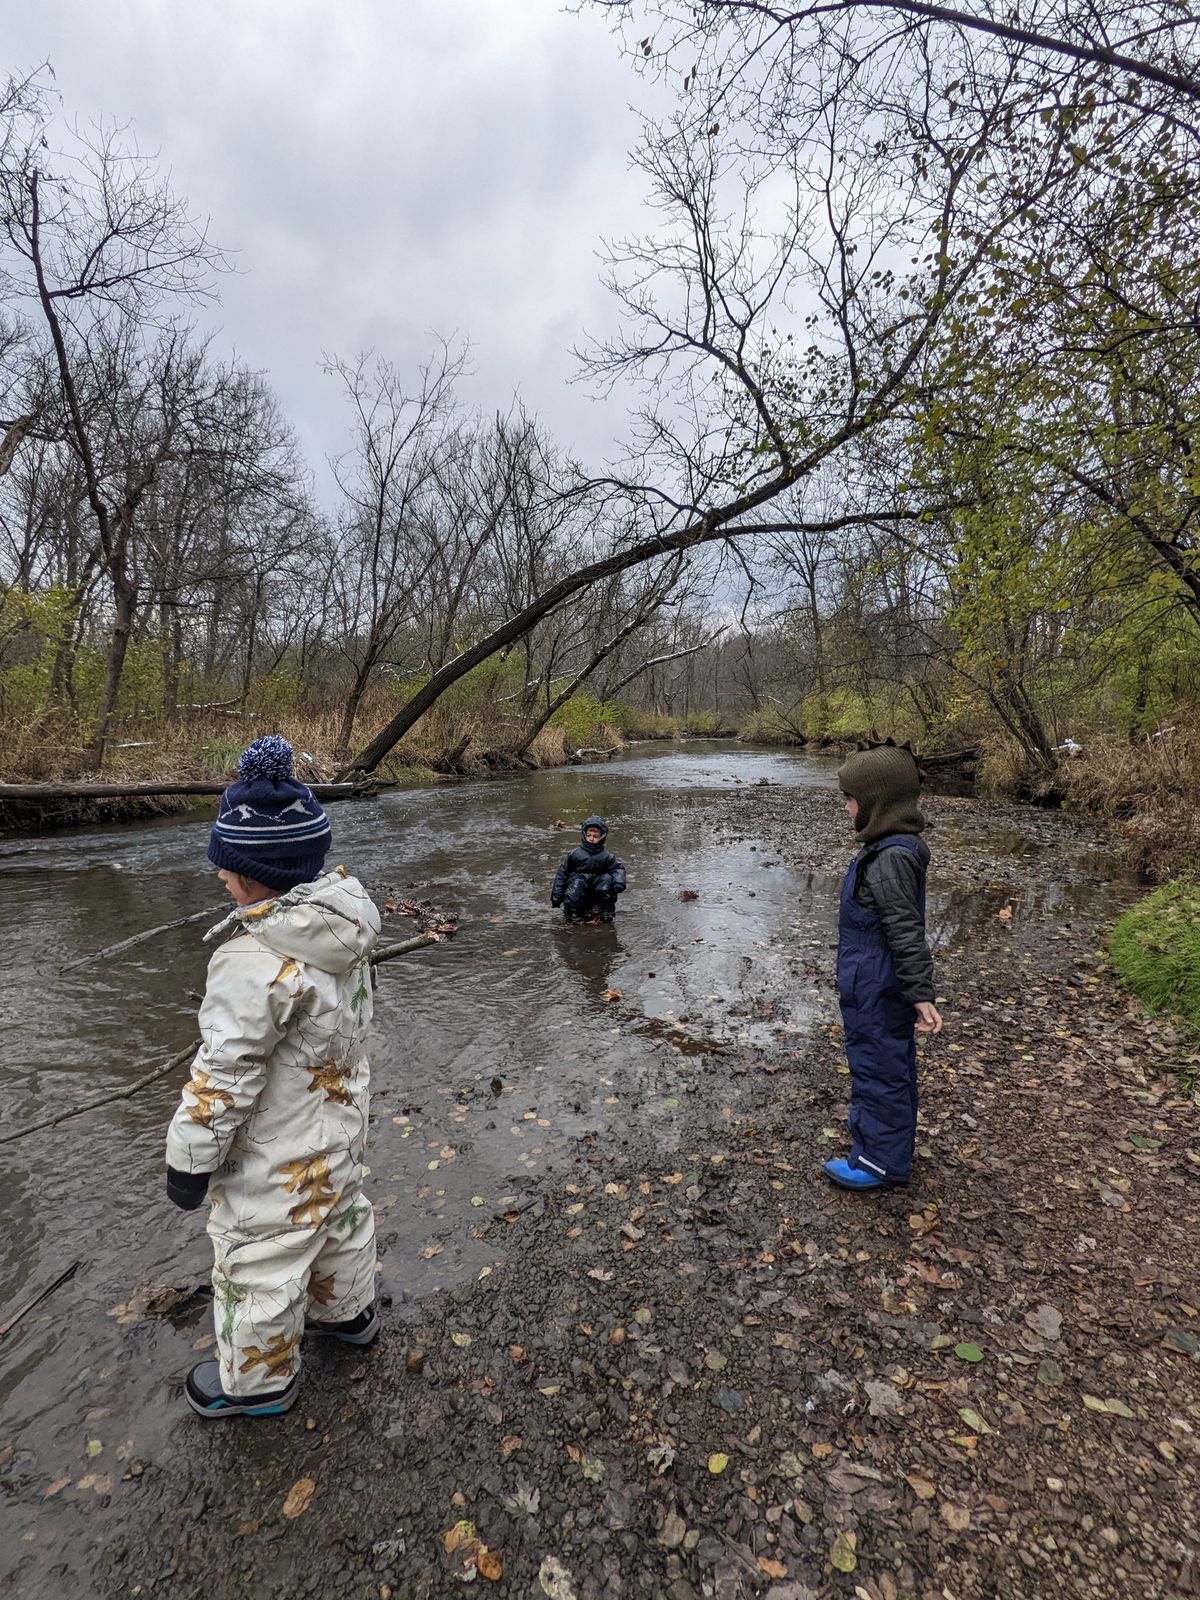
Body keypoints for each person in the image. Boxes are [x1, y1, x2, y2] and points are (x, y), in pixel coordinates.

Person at [165, 735, 382, 1417]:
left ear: (253, 878)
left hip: (275, 1156)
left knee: (259, 1256)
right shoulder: (342, 929)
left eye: (226, 872)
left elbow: (223, 1074)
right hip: (340, 1124)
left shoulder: (250, 961)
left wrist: (188, 1160)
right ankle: (348, 1316)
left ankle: (258, 1384)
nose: (221, 881)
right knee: (340, 1219)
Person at [824, 739, 943, 1192]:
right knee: (888, 1065)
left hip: (877, 985)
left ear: (876, 803)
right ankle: (889, 1152)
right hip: (871, 981)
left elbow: (905, 931)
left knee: (879, 1070)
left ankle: (877, 1162)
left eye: (849, 801)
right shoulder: (887, 850)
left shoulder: (891, 857)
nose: (846, 809)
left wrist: (920, 993)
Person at [551, 814, 627, 924]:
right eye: (589, 835)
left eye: (595, 836)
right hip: (579, 884)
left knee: (607, 880)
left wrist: (619, 883)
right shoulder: (575, 854)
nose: (591, 839)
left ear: (602, 836)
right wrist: (556, 897)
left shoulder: (606, 856)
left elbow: (617, 868)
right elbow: (562, 874)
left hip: (597, 886)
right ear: (584, 835)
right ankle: (573, 914)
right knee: (577, 885)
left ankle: (606, 911)